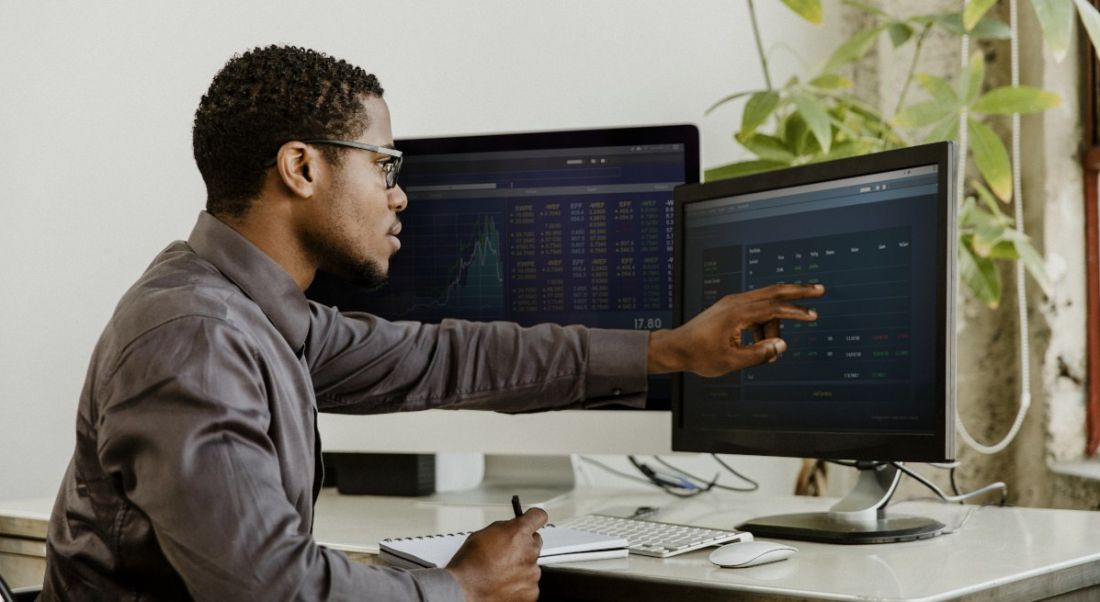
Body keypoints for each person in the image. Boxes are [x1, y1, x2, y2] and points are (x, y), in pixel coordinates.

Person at [41, 45, 824, 602]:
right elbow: (267, 590)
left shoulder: (255, 316)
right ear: (302, 167)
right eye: (383, 164)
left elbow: (440, 358)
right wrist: (461, 587)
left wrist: (667, 349)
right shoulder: (196, 337)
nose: (399, 193)